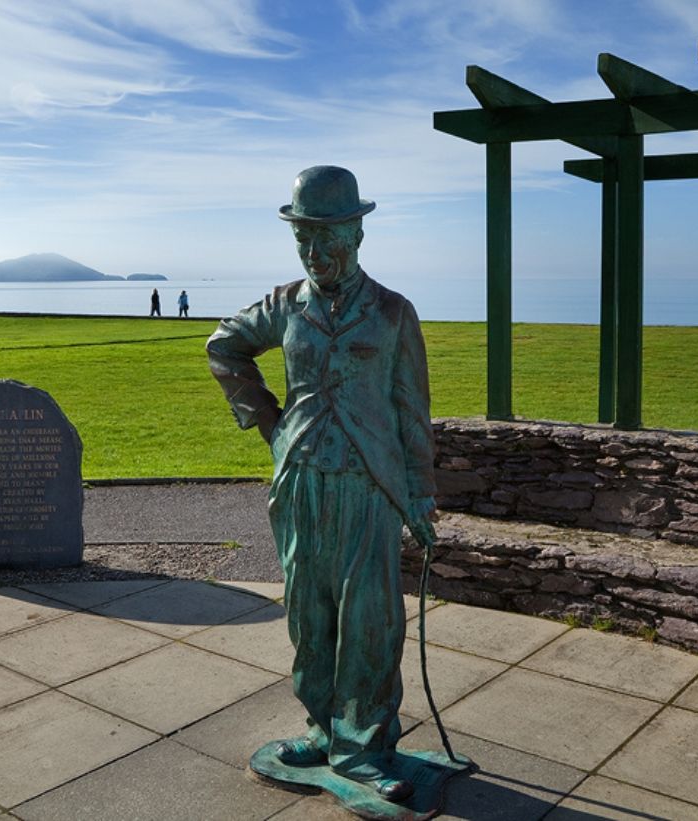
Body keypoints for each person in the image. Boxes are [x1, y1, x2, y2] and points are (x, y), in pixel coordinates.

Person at [207, 166, 436, 803]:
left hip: (368, 486)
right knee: (309, 614)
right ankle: (322, 726)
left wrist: (420, 493)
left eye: (326, 237)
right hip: (302, 479)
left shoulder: (392, 312)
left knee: (370, 620)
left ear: (357, 233)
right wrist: (271, 423)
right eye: (303, 238)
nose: (314, 251)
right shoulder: (285, 305)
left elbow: (412, 410)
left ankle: (364, 746)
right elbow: (224, 347)